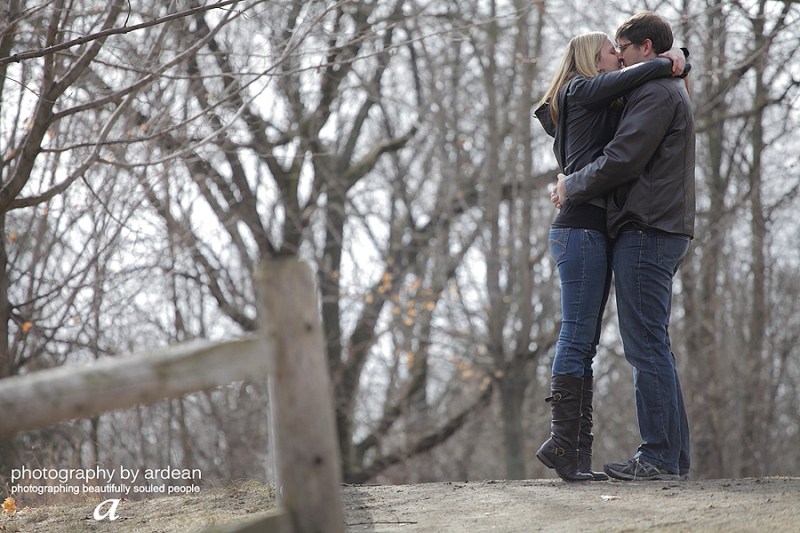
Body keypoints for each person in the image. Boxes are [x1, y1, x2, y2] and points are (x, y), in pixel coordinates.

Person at [533, 31, 687, 482]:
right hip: (578, 228)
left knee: (586, 343)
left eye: (621, 53)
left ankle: (575, 455)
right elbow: (644, 71)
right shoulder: (579, 88)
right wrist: (673, 60)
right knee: (577, 337)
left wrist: (681, 62)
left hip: (591, 229)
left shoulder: (598, 100)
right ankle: (563, 443)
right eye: (609, 54)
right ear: (590, 59)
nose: (617, 59)